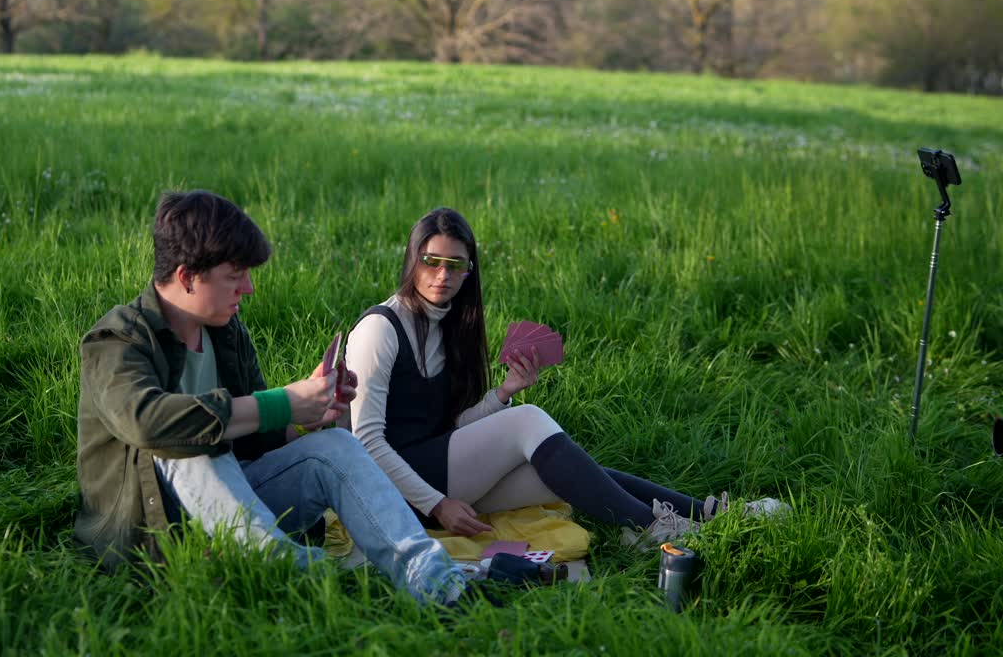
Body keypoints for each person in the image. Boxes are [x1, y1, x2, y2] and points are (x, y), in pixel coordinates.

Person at [75, 191, 467, 604]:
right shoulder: (117, 340)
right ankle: (304, 577)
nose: (249, 289)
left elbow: (256, 439)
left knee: (335, 444)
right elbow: (146, 421)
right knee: (193, 445)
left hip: (236, 505)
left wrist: (310, 416)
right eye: (235, 275)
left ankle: (438, 583)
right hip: (150, 528)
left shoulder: (225, 332)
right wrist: (280, 402)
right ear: (188, 276)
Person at [346, 207, 787, 549]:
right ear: (412, 259)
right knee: (529, 420)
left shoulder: (446, 329)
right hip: (395, 495)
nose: (442, 275)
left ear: (470, 271)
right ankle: (652, 529)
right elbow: (365, 442)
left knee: (575, 476)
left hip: (437, 473)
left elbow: (449, 430)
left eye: (455, 265)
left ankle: (715, 513)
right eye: (432, 260)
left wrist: (504, 393)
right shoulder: (380, 329)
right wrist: (436, 504)